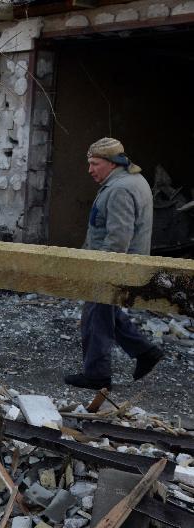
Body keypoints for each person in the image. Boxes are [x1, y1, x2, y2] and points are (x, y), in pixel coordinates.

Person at [64, 138, 164, 390]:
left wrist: (101, 271)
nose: (90, 170)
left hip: (111, 267)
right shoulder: (129, 182)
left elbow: (118, 239)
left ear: (112, 163)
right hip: (117, 265)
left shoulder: (120, 189)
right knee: (107, 313)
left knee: (95, 317)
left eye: (94, 164)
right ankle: (145, 352)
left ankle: (97, 375)